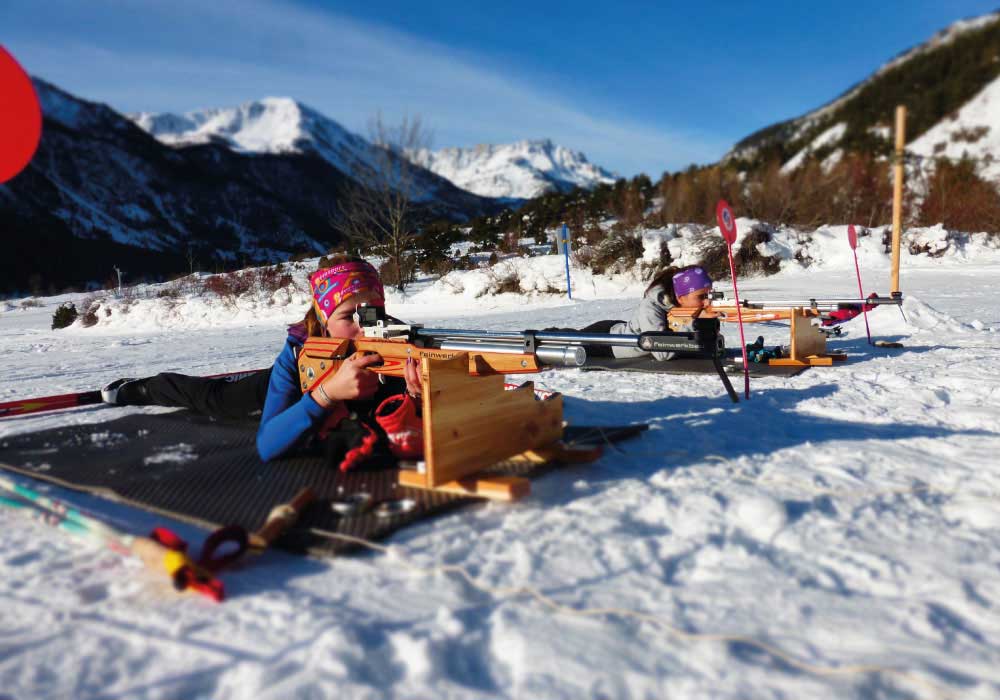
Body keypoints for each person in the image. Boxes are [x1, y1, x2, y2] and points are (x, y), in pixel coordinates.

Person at [255, 255, 423, 467]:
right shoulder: (297, 352)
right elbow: (267, 446)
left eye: (372, 313)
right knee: (217, 397)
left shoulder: (400, 342)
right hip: (273, 385)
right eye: (348, 316)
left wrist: (416, 397)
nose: (364, 327)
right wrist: (328, 394)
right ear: (324, 321)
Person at [563, 265, 715, 361]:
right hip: (608, 341)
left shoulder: (682, 310)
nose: (707, 302)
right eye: (701, 297)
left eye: (709, 296)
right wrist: (695, 322)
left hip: (620, 328)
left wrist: (706, 324)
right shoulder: (651, 307)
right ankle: (538, 336)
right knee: (564, 339)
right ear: (681, 298)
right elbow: (662, 353)